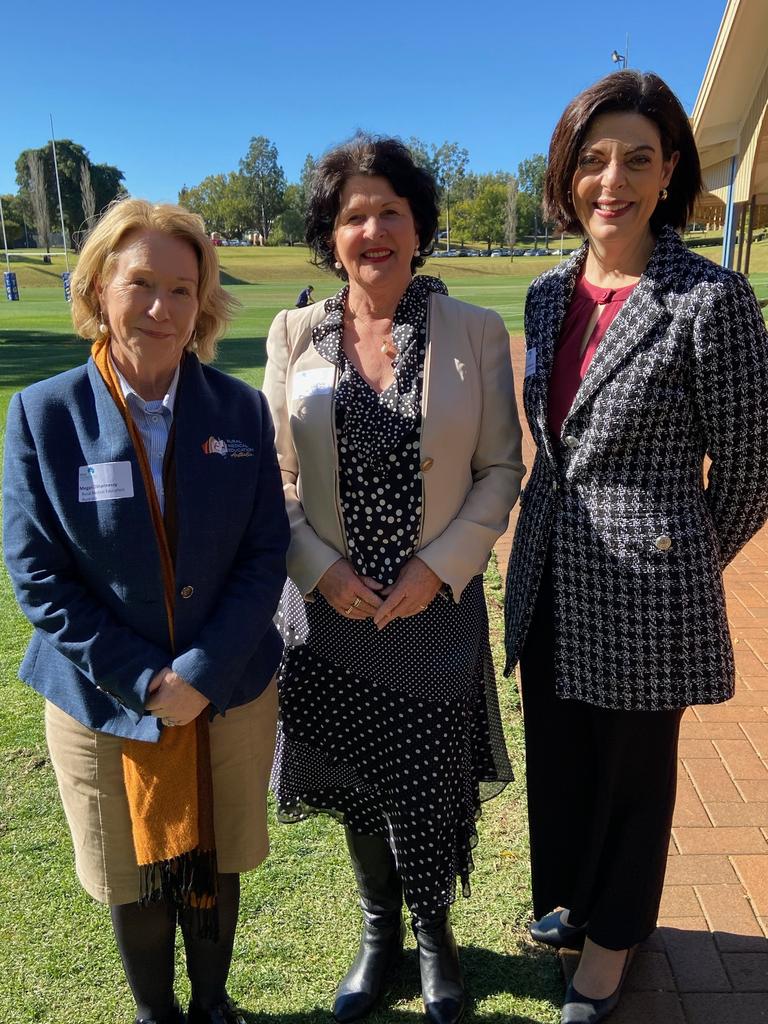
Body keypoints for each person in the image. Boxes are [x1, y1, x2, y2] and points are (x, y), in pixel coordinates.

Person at [504, 70, 768, 1024]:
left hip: (646, 584)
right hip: (549, 572)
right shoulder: (545, 295)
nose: (611, 178)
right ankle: (578, 901)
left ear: (670, 178)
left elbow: (747, 471)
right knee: (563, 759)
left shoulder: (710, 300)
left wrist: (680, 554)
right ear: (568, 172)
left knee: (633, 777)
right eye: (593, 157)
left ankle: (615, 941)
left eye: (637, 159)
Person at [3, 199, 290, 1024]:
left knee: (215, 860)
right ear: (97, 287)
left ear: (204, 302)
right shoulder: (44, 412)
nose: (161, 308)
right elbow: (36, 572)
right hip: (104, 698)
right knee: (135, 872)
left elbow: (264, 553)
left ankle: (211, 1005)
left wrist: (199, 676)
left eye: (182, 288)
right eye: (141, 284)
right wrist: (144, 679)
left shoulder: (237, 410)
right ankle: (157, 1014)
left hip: (228, 689)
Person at [263, 135, 524, 1024]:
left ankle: (435, 937)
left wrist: (439, 566)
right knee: (354, 779)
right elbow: (280, 477)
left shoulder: (475, 332)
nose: (370, 229)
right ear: (330, 236)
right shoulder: (295, 333)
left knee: (423, 776)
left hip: (431, 603)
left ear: (417, 228)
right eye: (351, 216)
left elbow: (499, 470)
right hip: (329, 604)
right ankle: (379, 933)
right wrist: (319, 568)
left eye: (388, 212)